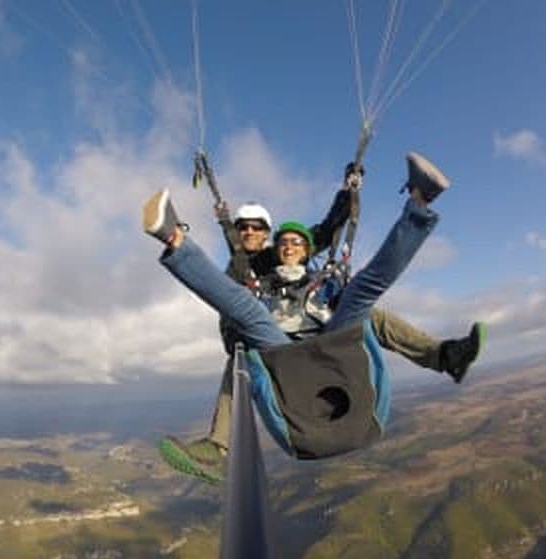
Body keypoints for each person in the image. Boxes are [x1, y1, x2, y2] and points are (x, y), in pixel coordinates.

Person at [147, 153, 485, 477]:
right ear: (272, 248)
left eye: (296, 242)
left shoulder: (322, 282)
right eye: (283, 243)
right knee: (248, 313)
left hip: (330, 343)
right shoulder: (255, 276)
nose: (289, 246)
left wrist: (348, 191)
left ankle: (421, 202)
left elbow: (329, 229)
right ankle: (174, 238)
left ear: (307, 250)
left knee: (364, 294)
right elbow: (238, 275)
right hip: (282, 350)